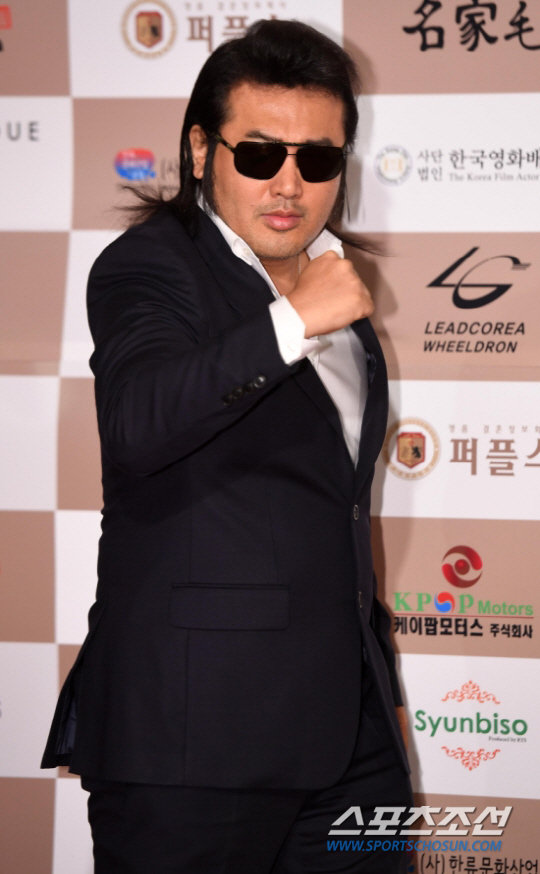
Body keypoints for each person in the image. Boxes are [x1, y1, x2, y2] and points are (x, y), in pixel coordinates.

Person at [42, 18, 413, 873]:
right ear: (203, 150)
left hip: (350, 740)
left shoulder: (337, 285)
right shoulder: (149, 266)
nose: (289, 182)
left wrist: (382, 688)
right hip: (193, 741)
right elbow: (137, 423)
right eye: (260, 154)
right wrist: (293, 322)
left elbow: (336, 512)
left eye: (318, 159)